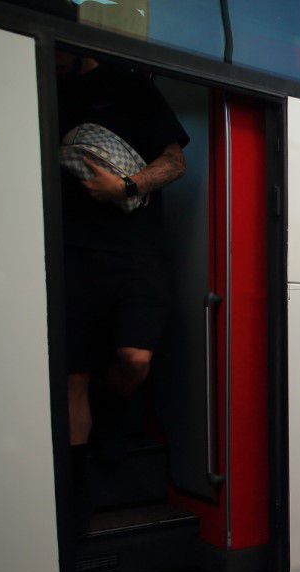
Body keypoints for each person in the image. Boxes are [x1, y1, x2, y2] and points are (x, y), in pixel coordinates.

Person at [57, 52, 188, 528]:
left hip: (137, 252)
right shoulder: (42, 86)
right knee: (73, 375)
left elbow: (175, 163)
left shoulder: (129, 86)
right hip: (70, 253)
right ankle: (76, 495)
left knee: (135, 358)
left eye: (58, 54)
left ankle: (113, 414)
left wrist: (126, 187)